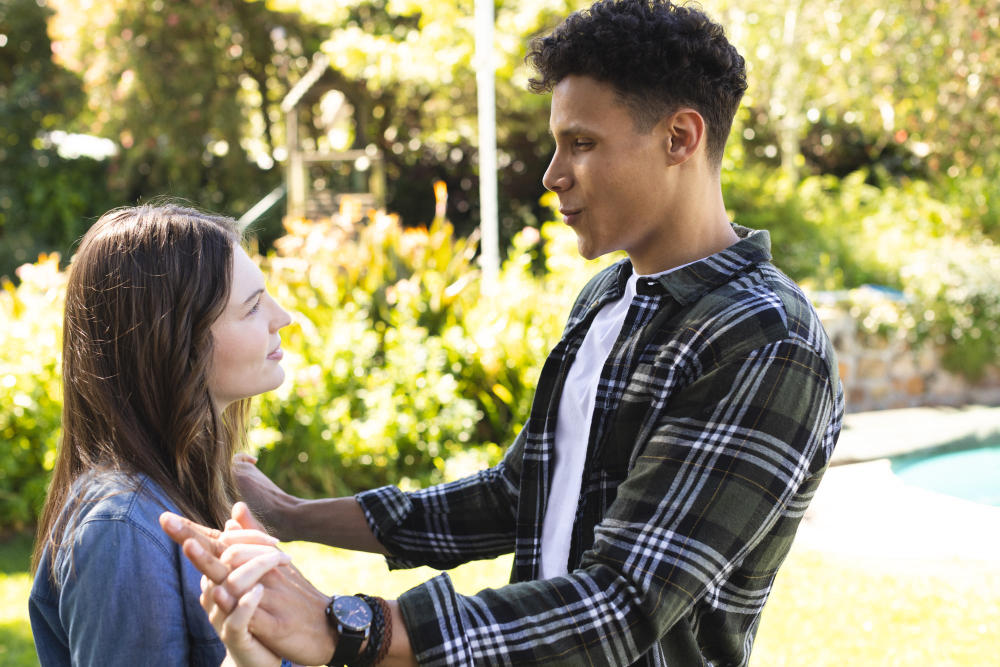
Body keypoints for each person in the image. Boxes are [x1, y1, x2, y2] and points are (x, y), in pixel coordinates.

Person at [162, 1, 845, 665]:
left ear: (680, 138)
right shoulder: (608, 300)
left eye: (582, 143)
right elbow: (516, 496)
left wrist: (358, 627)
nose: (552, 175)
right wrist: (293, 515)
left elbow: (622, 603)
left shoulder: (764, 339)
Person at [28, 203, 297, 667]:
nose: (282, 316)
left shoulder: (182, 488)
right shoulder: (122, 531)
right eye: (252, 306)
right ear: (175, 341)